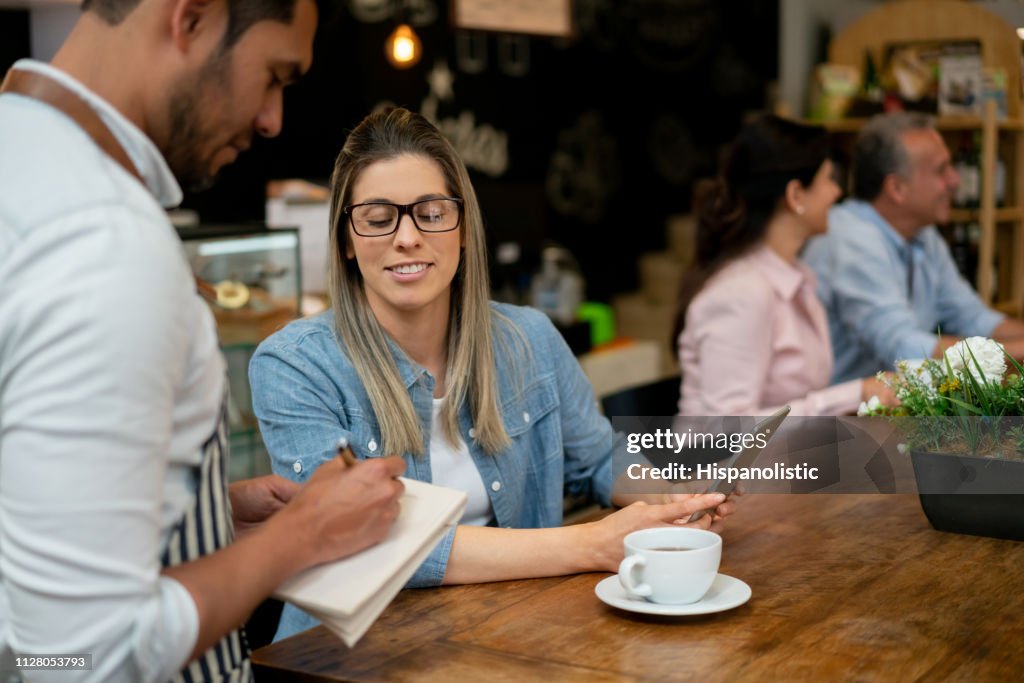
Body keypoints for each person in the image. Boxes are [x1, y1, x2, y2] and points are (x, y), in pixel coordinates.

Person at [0, 2, 406, 681]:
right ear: (189, 18)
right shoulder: (107, 243)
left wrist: (203, 514)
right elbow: (81, 657)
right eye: (273, 75)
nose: (273, 119)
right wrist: (300, 535)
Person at [248, 107, 734, 641]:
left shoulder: (529, 337)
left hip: (514, 639)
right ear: (346, 239)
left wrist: (675, 497)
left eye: (431, 212)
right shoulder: (294, 365)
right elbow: (355, 541)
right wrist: (590, 544)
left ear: (462, 228)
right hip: (352, 659)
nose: (407, 237)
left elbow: (597, 457)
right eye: (378, 217)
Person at [674, 115, 895, 417]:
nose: (836, 192)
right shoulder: (742, 292)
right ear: (795, 195)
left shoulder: (797, 276)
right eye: (828, 179)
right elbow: (726, 433)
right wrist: (854, 395)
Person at [803, 112, 1024, 383]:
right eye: (941, 170)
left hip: (888, 409)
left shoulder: (922, 232)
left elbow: (971, 316)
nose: (955, 180)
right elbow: (902, 349)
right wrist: (1013, 352)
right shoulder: (850, 237)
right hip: (836, 417)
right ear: (896, 188)